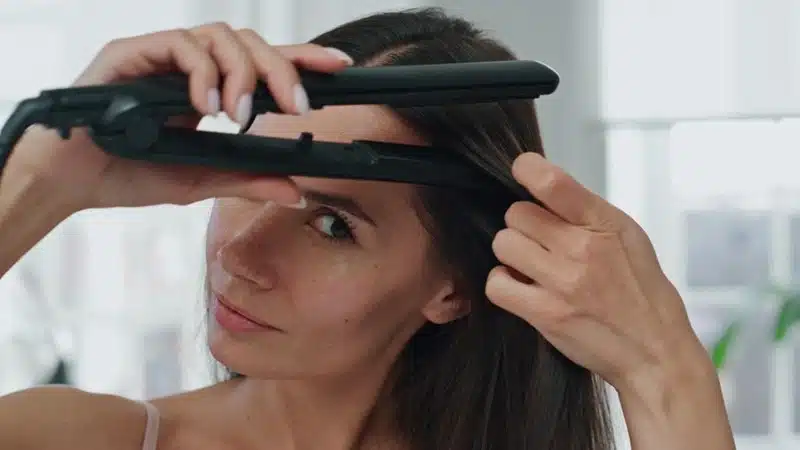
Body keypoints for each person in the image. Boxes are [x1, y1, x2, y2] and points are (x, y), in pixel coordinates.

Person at [0, 7, 735, 450]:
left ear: (452, 288)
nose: (241, 254)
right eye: (246, 178)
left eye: (330, 225)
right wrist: (35, 188)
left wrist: (664, 369)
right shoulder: (78, 437)